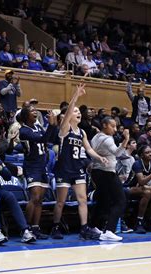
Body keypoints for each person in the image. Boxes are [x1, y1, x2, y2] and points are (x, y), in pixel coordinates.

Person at [50, 84, 108, 240]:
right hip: (63, 169)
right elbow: (68, 112)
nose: (77, 113)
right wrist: (75, 96)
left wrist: (99, 157)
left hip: (77, 169)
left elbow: (88, 149)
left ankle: (84, 228)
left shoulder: (81, 132)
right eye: (75, 111)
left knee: (82, 200)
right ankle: (55, 226)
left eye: (78, 112)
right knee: (61, 202)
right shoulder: (64, 129)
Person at [19, 105, 57, 239]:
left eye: (36, 110)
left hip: (42, 166)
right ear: (25, 115)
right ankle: (26, 228)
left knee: (40, 199)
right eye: (32, 110)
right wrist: (51, 126)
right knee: (34, 197)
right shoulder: (23, 131)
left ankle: (35, 228)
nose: (35, 112)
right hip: (31, 166)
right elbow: (42, 139)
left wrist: (54, 124)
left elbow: (50, 139)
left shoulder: (39, 127)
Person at [90, 117, 130, 241]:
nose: (115, 129)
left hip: (97, 172)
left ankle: (93, 226)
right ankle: (109, 230)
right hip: (107, 172)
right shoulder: (107, 139)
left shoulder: (96, 137)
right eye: (113, 126)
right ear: (105, 125)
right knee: (120, 200)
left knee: (104, 201)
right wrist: (126, 139)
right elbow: (117, 153)